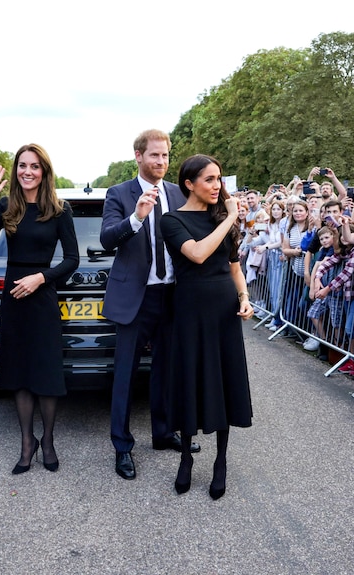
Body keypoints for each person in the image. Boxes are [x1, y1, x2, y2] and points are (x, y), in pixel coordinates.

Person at [100, 129, 199, 482]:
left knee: (167, 370)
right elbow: (107, 238)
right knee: (125, 373)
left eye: (165, 156)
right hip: (135, 298)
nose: (161, 161)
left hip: (171, 295)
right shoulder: (118, 194)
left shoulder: (178, 193)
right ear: (138, 156)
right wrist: (137, 217)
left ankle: (162, 432)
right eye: (154, 155)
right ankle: (122, 446)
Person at [0, 144, 79, 474]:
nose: (27, 171)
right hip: (14, 299)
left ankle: (47, 441)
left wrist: (41, 277)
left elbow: (72, 259)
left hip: (43, 295)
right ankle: (27, 442)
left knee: (46, 373)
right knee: (20, 374)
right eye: (22, 165)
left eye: (34, 166)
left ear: (44, 172)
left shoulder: (60, 210)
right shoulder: (8, 206)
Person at [160, 154, 252, 500]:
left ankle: (221, 462)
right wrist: (229, 219)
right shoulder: (172, 220)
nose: (218, 186)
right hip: (189, 309)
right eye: (210, 180)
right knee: (190, 378)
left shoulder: (220, 218)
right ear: (189, 183)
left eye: (219, 180)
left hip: (223, 309)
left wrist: (244, 297)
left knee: (224, 380)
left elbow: (234, 268)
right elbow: (197, 254)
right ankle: (186, 457)